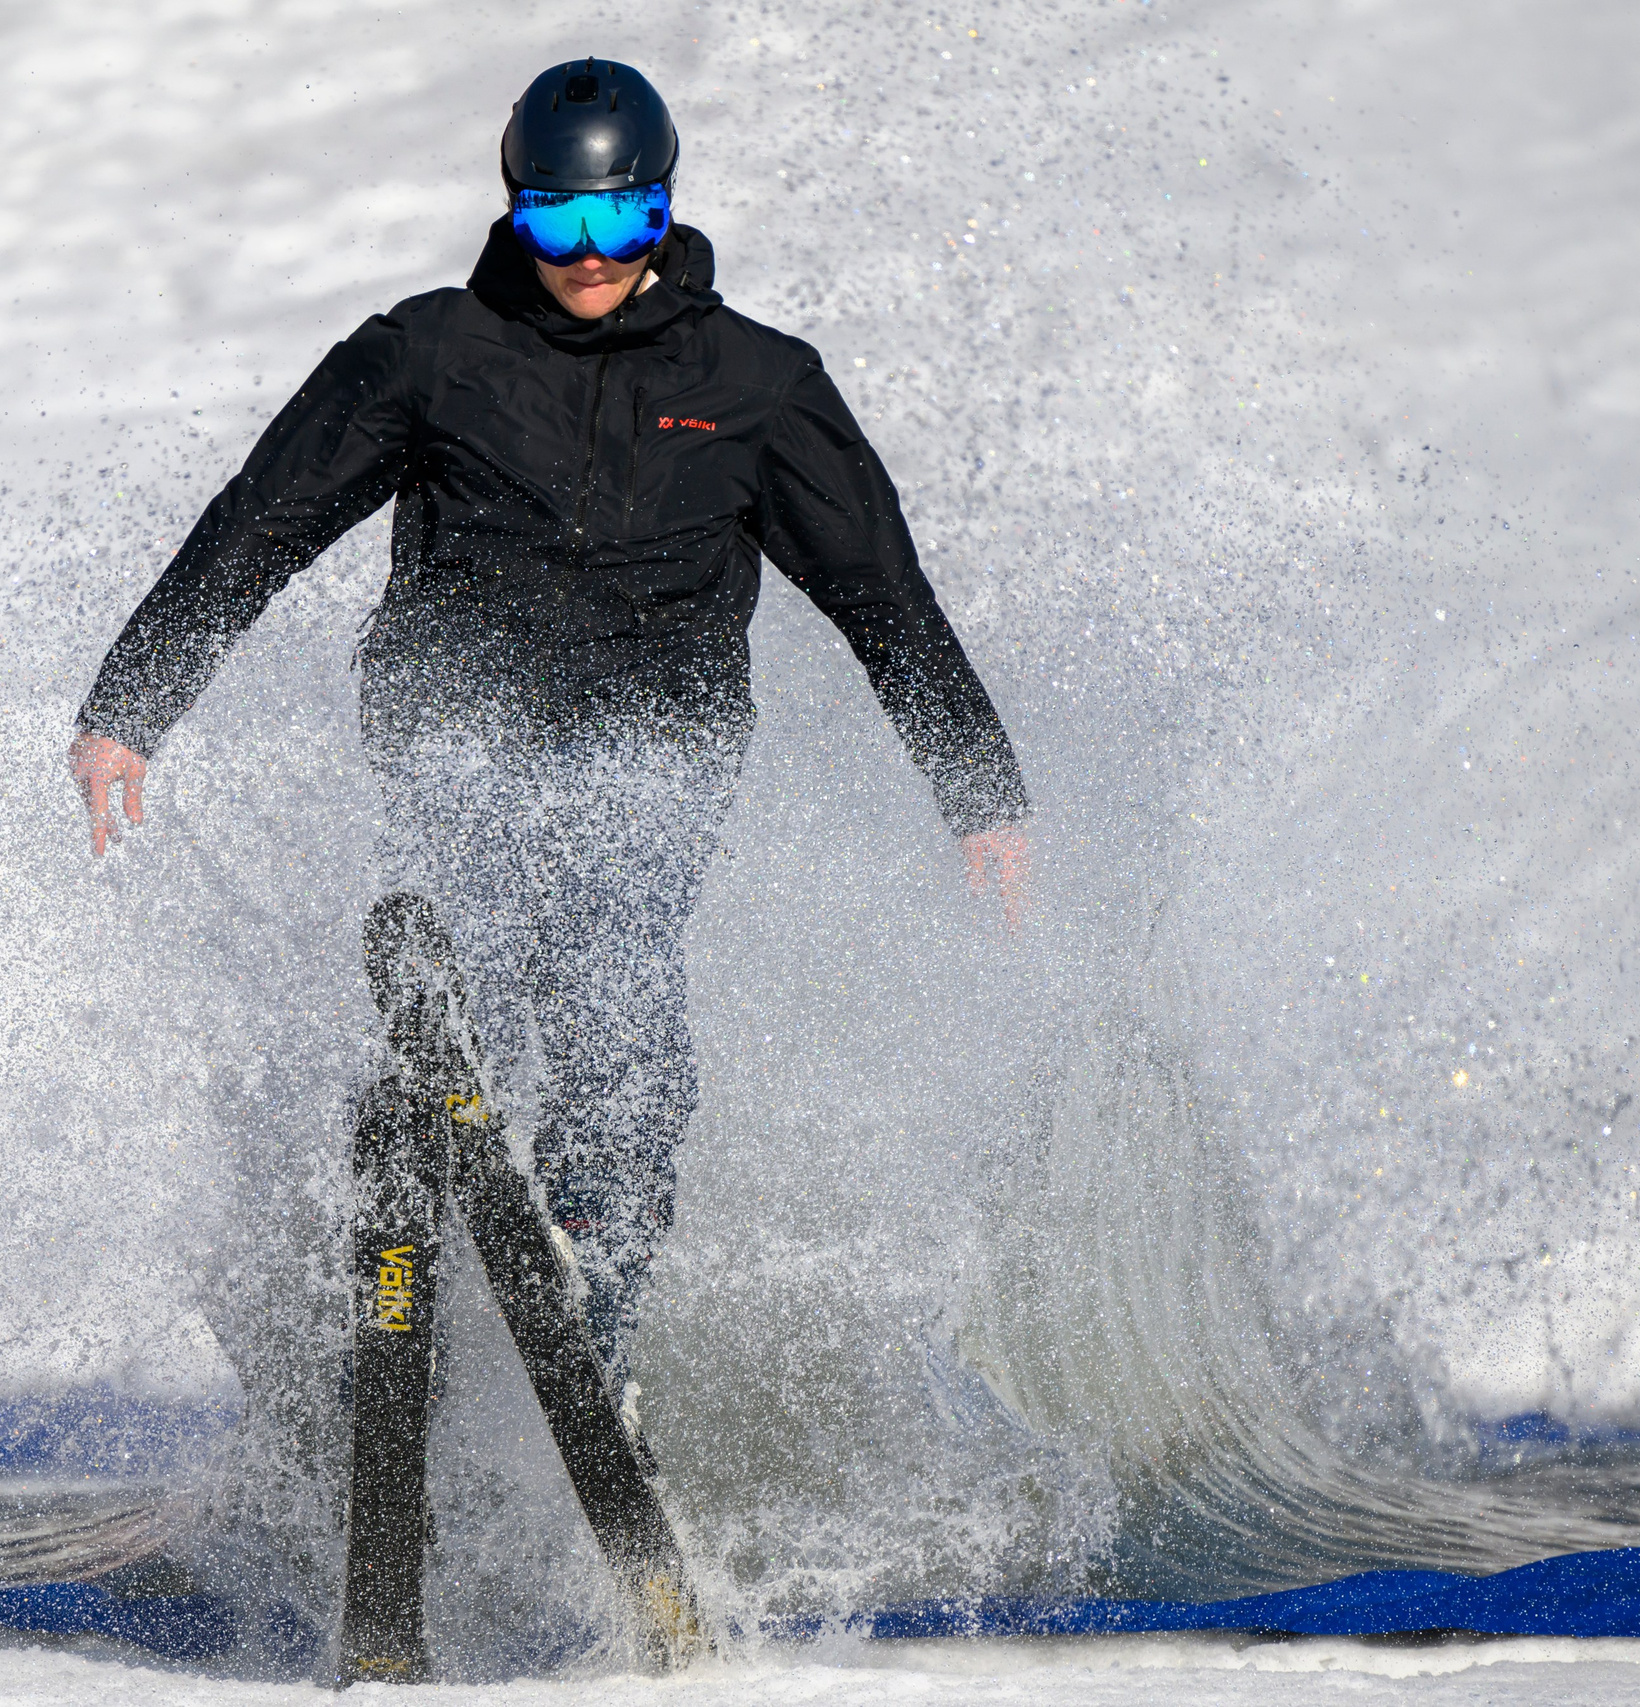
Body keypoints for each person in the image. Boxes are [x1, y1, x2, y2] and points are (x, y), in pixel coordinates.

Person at [69, 57, 1029, 1387]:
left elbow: (884, 597)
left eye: (619, 223)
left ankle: (595, 1248)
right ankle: (404, 1151)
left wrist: (977, 790)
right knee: (468, 864)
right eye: (557, 224)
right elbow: (263, 523)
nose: (589, 256)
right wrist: (133, 706)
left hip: (661, 733)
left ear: (665, 210)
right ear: (515, 211)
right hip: (458, 706)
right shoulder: (428, 354)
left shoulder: (758, 385)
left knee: (616, 941)